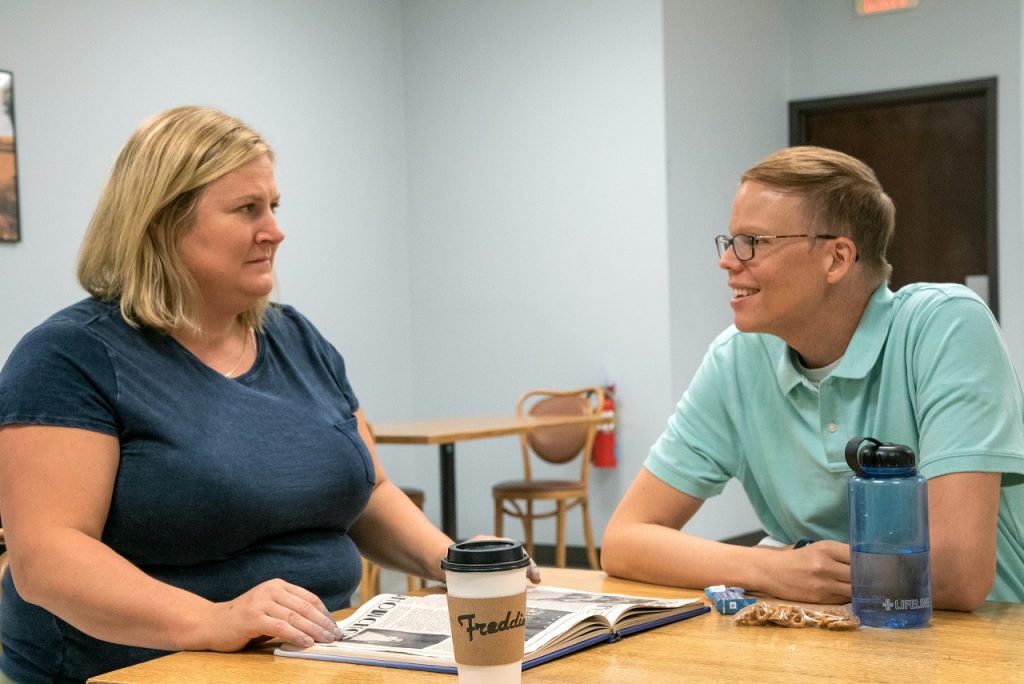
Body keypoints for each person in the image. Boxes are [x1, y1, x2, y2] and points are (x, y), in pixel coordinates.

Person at [0, 106, 536, 684]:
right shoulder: (68, 357)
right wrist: (212, 619)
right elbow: (47, 558)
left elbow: (371, 493)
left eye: (274, 206)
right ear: (161, 222)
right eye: (247, 209)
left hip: (317, 657)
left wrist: (454, 563)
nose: (274, 230)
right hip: (137, 668)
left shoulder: (297, 338)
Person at [601, 145, 1024, 611]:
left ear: (837, 258)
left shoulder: (946, 326)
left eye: (754, 241)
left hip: (980, 640)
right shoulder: (736, 358)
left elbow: (956, 576)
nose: (728, 261)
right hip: (827, 639)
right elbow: (624, 541)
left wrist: (796, 571)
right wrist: (774, 568)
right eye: (731, 241)